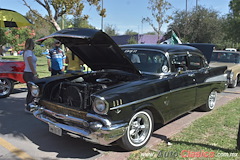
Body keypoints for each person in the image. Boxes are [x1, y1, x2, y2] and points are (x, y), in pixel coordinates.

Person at [23, 38, 38, 113]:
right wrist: (34, 73)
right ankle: (28, 107)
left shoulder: (28, 52)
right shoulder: (29, 52)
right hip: (29, 73)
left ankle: (28, 105)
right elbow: (30, 63)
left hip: (27, 73)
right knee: (33, 91)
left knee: (30, 91)